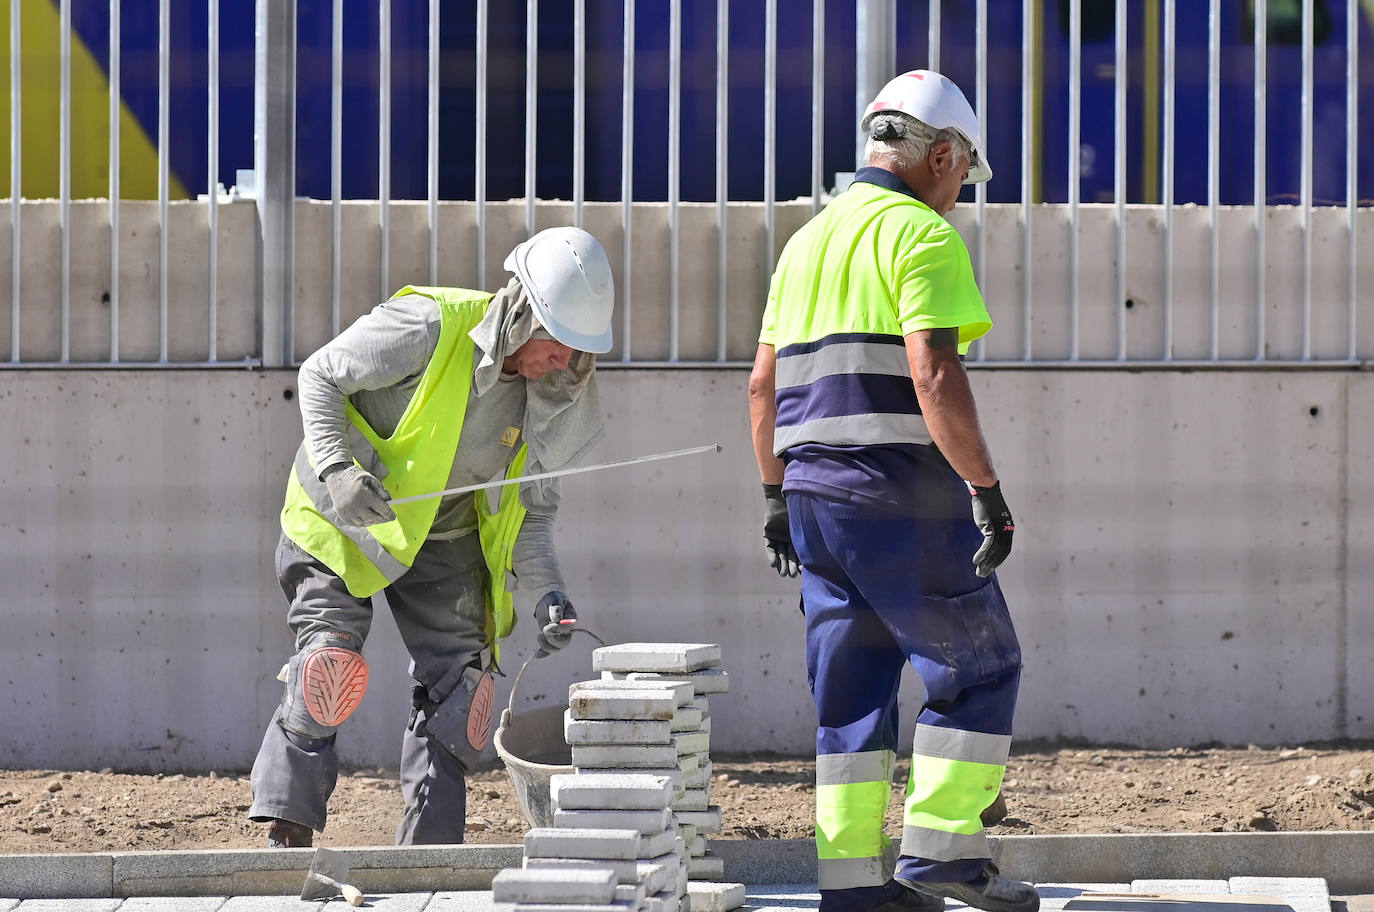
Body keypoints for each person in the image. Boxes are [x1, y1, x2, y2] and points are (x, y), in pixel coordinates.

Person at [747, 70, 1037, 912]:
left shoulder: (803, 244)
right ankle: (943, 859)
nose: (958, 198)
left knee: (850, 697)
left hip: (811, 503)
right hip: (899, 498)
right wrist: (985, 487)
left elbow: (762, 386)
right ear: (942, 154)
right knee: (978, 671)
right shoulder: (922, 236)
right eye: (960, 177)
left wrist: (774, 498)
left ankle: (851, 887)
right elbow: (933, 370)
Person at [248, 226, 614, 847]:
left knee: (464, 696)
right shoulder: (429, 325)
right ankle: (287, 831)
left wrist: (550, 592)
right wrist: (338, 469)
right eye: (559, 343)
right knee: (329, 666)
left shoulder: (559, 393)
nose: (567, 362)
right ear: (523, 314)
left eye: (581, 350)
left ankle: (429, 859)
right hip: (344, 515)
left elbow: (535, 514)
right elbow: (320, 375)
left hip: (440, 532)